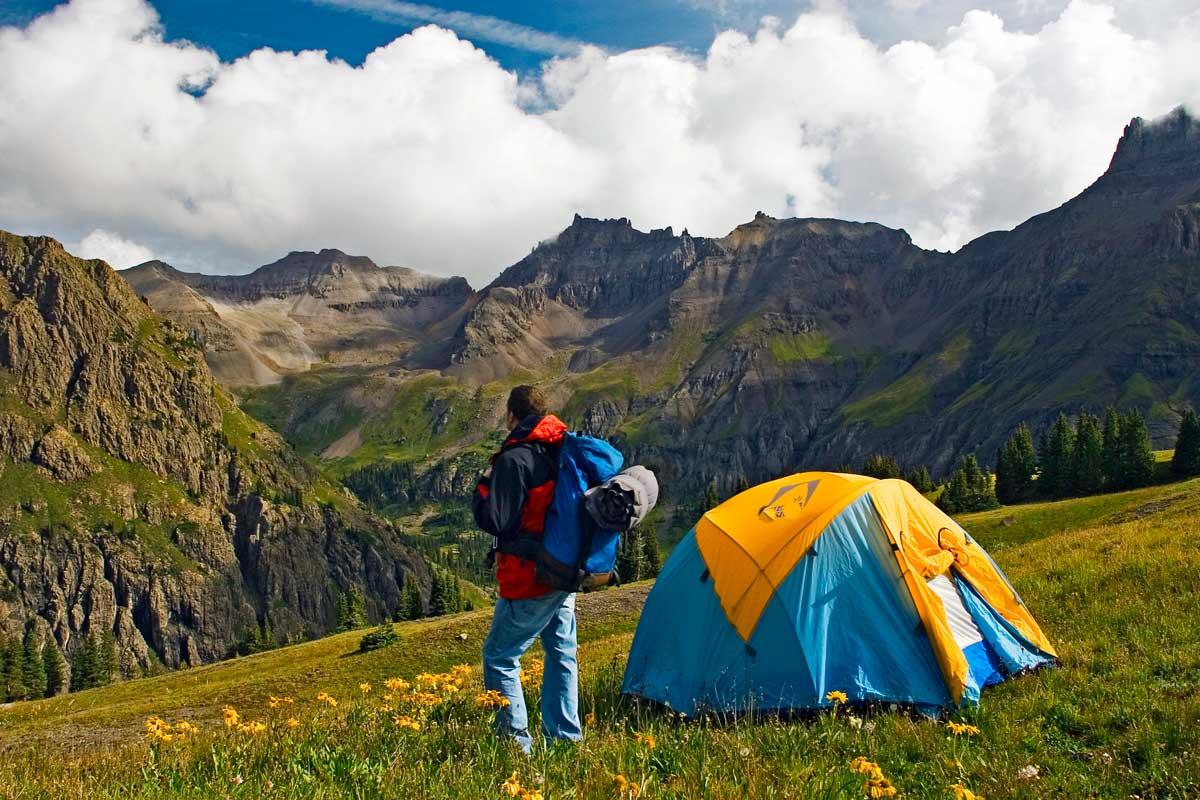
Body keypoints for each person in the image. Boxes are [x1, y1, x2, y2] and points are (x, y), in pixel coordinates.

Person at [473, 385, 580, 753]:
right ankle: (565, 739)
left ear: (511, 415)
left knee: (500, 657)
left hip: (529, 575)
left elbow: (496, 520)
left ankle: (515, 747)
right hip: (564, 568)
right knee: (561, 653)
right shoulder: (562, 448)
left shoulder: (515, 458)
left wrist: (483, 486)